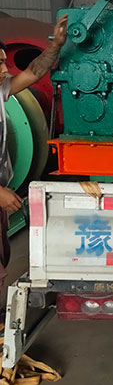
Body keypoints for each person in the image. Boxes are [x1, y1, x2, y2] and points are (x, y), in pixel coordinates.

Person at [0, 15, 68, 286]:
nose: (5, 69)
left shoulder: (1, 91)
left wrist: (56, 45)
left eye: (4, 62)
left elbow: (33, 73)